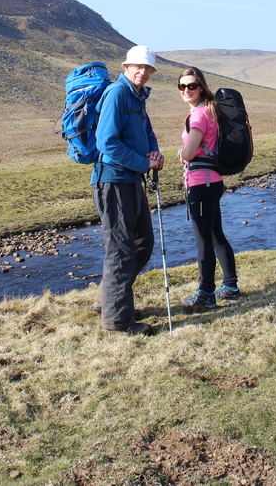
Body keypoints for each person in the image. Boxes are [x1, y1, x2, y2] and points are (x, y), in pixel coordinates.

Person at [91, 45, 165, 335]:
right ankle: (118, 322)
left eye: (148, 68)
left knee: (142, 244)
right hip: (114, 181)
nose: (143, 72)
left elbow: (146, 134)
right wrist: (141, 163)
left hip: (131, 180)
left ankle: (107, 300)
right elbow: (106, 142)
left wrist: (154, 155)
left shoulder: (137, 96)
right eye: (138, 67)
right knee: (121, 251)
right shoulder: (118, 93)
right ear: (125, 67)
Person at [175, 66, 239, 309]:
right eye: (182, 86)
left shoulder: (199, 115)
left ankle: (206, 294)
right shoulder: (210, 111)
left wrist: (180, 154)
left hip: (201, 184)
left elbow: (190, 152)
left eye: (192, 85)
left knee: (203, 240)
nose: (187, 90)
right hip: (213, 181)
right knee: (215, 235)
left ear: (201, 87)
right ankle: (230, 287)